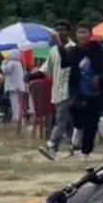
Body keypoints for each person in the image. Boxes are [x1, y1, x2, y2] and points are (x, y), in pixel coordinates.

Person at [67, 21, 103, 161]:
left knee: (91, 121)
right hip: (78, 90)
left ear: (90, 34)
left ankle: (85, 151)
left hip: (96, 91)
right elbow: (66, 65)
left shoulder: (98, 50)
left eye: (84, 32)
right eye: (79, 32)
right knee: (74, 111)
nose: (82, 35)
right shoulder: (74, 52)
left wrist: (99, 77)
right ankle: (77, 135)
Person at [37, 20, 76, 160]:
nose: (60, 32)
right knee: (68, 120)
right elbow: (45, 69)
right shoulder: (53, 50)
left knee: (61, 118)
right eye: (57, 30)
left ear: (68, 32)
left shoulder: (73, 48)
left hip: (70, 89)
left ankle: (52, 145)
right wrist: (30, 76)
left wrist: (58, 43)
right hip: (57, 89)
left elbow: (67, 60)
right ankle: (74, 146)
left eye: (63, 30)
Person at [1, 50, 27, 126]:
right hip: (19, 87)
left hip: (13, 87)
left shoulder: (12, 63)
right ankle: (17, 119)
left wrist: (3, 64)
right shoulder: (19, 63)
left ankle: (17, 120)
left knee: (15, 104)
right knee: (18, 104)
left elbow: (5, 70)